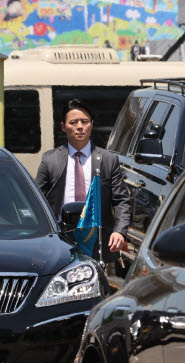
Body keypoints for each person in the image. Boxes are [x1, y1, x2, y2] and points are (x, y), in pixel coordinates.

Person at [34, 99, 130, 263]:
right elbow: (36, 200)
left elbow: (121, 200)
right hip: (61, 238)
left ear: (91, 124)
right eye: (73, 122)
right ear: (64, 126)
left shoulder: (107, 160)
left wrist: (119, 231)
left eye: (84, 122)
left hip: (97, 239)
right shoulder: (50, 160)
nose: (79, 126)